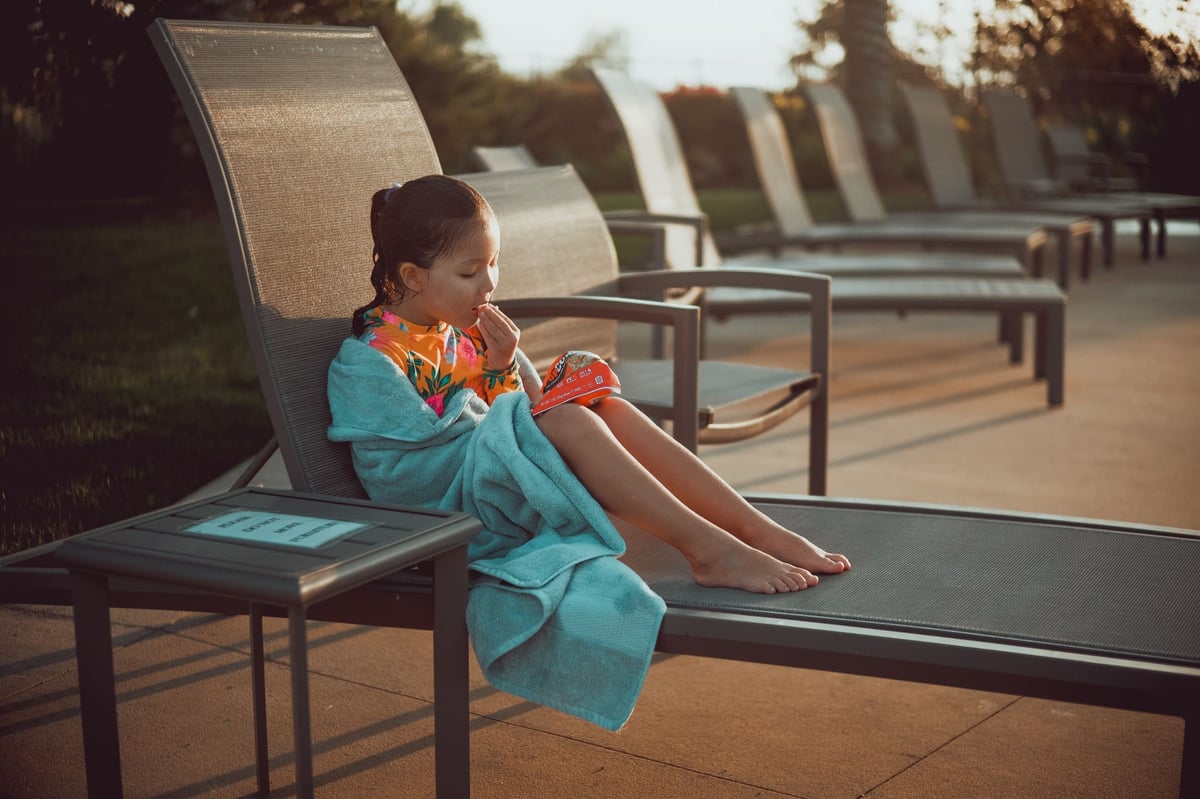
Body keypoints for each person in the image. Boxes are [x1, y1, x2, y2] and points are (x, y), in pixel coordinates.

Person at [346, 174, 850, 595]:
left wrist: (501, 366)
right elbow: (396, 474)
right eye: (470, 271)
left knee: (610, 408)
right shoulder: (372, 360)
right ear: (413, 276)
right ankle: (711, 551)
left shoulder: (463, 330)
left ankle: (754, 529)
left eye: (494, 263)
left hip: (499, 478)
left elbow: (516, 417)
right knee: (566, 416)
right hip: (450, 509)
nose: (490, 284)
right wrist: (508, 399)